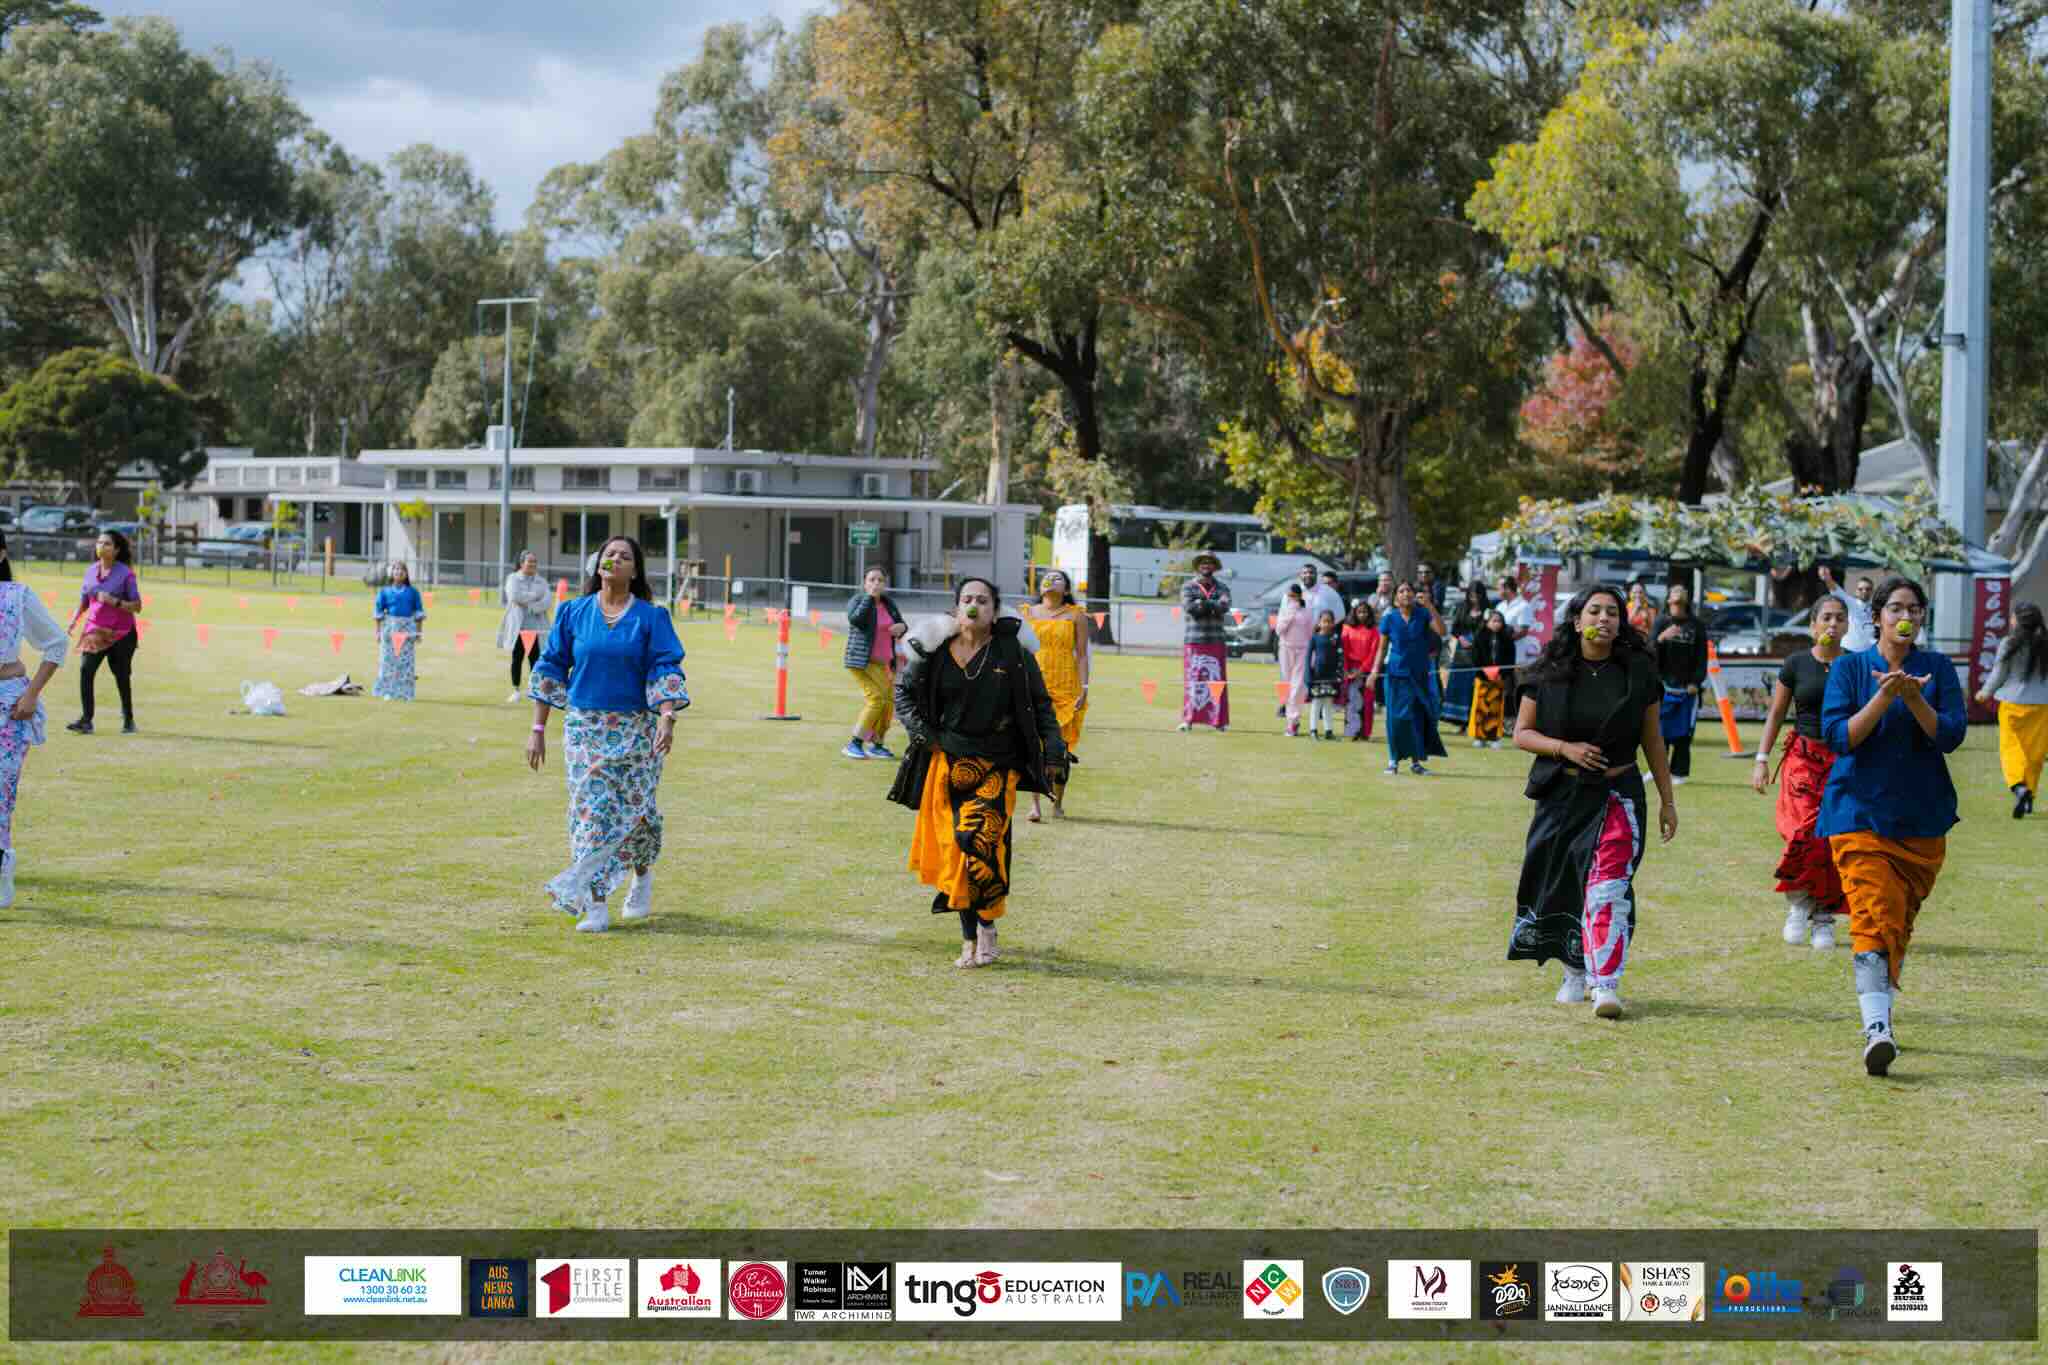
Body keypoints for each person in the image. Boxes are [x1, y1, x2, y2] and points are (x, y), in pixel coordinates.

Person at [1817, 576, 1965, 1076]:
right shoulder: (1851, 669)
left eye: (1915, 609)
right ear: (1876, 615)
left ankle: (1879, 1007)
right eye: (1896, 607)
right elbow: (1838, 738)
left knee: (1896, 921)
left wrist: (1914, 697)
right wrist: (1883, 697)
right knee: (1871, 912)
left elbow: (1950, 736)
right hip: (1858, 812)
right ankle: (1876, 1029)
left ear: (1923, 617)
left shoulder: (1938, 669)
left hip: (1922, 817)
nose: (1906, 616)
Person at [1508, 585, 1678, 1019]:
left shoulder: (1639, 673)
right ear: (1577, 619)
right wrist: (1565, 749)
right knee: (1564, 885)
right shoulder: (1547, 671)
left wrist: (1667, 800)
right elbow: (1522, 733)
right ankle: (1574, 972)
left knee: (1608, 886)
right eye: (1595, 611)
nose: (1604, 619)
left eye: (1613, 613)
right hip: (1563, 796)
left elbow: (1653, 739)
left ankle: (1606, 983)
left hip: (1619, 796)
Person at [891, 578, 1064, 968]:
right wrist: (925, 733)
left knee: (980, 843)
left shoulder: (1012, 652)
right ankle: (970, 937)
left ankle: (986, 927)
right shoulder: (933, 649)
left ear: (995, 609)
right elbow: (903, 694)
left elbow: (1040, 703)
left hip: (996, 764)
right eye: (967, 599)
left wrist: (1053, 747)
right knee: (956, 850)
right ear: (955, 609)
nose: (974, 606)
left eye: (982, 600)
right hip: (947, 763)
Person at [525, 536, 689, 934]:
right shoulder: (572, 613)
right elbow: (550, 668)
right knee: (591, 814)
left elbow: (664, 666)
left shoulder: (651, 618)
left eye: (624, 556)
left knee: (637, 815)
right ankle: (595, 906)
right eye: (608, 554)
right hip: (584, 729)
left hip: (635, 730)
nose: (614, 559)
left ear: (635, 571)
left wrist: (667, 717)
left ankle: (641, 878)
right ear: (597, 564)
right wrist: (538, 728)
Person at [1751, 594, 1851, 948]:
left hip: (1843, 762)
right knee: (1800, 834)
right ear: (1812, 625)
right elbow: (1776, 713)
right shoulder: (1795, 663)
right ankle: (1798, 905)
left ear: (1848, 625)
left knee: (1832, 839)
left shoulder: (1855, 664)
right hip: (1802, 760)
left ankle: (1823, 915)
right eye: (1826, 617)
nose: (1832, 624)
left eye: (1840, 618)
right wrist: (1762, 759)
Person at [0, 530, 67, 907]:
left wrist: (31, 693)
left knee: (0, 791)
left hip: (8, 706)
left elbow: (56, 642)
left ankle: (1, 862)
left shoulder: (15, 597)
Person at [1021, 568, 1090, 820]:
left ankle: (1057, 802)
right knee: (1034, 744)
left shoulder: (1076, 616)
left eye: (1057, 578)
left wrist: (1084, 688)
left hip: (1066, 686)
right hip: (1033, 683)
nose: (1050, 581)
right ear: (1039, 588)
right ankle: (1035, 804)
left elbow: (1082, 655)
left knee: (1059, 747)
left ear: (1067, 589)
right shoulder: (1026, 614)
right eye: (1046, 578)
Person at [1974, 601, 2048, 819]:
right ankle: (2030, 799)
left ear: (2018, 620)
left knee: (2011, 747)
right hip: (2042, 705)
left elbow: (1999, 674)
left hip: (2012, 703)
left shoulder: (2008, 643)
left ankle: (2018, 787)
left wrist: (1985, 693)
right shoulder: (2045, 642)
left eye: (2013, 616)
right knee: (2035, 754)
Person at [1367, 580, 1448, 775]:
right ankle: (1393, 760)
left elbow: (1442, 631)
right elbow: (1382, 648)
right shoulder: (1389, 618)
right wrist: (1374, 672)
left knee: (1416, 717)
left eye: (1409, 590)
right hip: (1395, 675)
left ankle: (1416, 762)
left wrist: (1429, 605)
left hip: (1419, 675)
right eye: (1401, 591)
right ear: (1395, 599)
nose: (1406, 594)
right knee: (1395, 719)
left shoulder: (1423, 614)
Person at [64, 530, 140, 735]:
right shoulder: (90, 571)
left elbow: (137, 606)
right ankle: (86, 720)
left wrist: (114, 601)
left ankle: (128, 719)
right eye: (99, 543)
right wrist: (72, 621)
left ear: (116, 550)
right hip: (95, 631)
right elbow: (84, 601)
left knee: (121, 675)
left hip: (122, 634)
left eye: (107, 544)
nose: (101, 546)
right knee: (85, 670)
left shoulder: (126, 574)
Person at [842, 566, 907, 761]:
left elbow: (901, 625)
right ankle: (854, 743)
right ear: (865, 583)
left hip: (883, 662)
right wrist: (869, 598)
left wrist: (902, 627)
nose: (876, 584)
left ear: (885, 584)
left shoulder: (889, 603)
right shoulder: (858, 601)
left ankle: (877, 744)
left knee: (888, 703)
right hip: (861, 661)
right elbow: (856, 620)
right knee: (876, 699)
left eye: (880, 580)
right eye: (872, 580)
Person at [1650, 584, 1709, 783]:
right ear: (1668, 600)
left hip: (1687, 689)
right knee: (1660, 732)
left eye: (1682, 593)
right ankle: (1658, 769)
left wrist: (1695, 682)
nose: (1678, 595)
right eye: (1674, 593)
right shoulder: (1660, 622)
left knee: (1683, 733)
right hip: (1663, 687)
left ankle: (1679, 772)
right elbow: (1649, 652)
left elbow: (1702, 658)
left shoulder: (1696, 625)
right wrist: (1660, 639)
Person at [1178, 552, 1231, 731]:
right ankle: (1188, 720)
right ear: (1198, 566)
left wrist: (1204, 603)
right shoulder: (1187, 586)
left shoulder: (1223, 587)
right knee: (1193, 680)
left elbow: (1224, 606)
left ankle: (1218, 722)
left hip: (1216, 641)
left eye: (1210, 563)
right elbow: (1190, 608)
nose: (1206, 566)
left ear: (1214, 567)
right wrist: (1211, 605)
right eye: (1202, 563)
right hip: (1194, 641)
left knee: (1216, 682)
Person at [499, 550, 552, 703]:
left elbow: (547, 601)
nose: (533, 564)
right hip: (518, 627)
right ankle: (515, 690)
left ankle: (534, 690)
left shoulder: (541, 581)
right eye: (529, 561)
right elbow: (514, 596)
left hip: (536, 627)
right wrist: (535, 595)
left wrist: (530, 606)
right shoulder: (512, 578)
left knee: (535, 659)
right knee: (517, 658)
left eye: (535, 561)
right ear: (522, 563)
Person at [372, 562, 425, 702]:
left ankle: (406, 693)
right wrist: (377, 632)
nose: (398, 572)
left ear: (406, 574)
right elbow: (378, 612)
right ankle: (388, 691)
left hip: (407, 630)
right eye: (395, 569)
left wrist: (419, 632)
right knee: (387, 662)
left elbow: (419, 612)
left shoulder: (413, 592)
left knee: (406, 664)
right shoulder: (384, 592)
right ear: (391, 573)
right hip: (389, 629)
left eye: (402, 570)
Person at [1443, 580, 1491, 731]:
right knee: (1459, 687)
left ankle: (1473, 722)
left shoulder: (1488, 610)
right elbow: (1455, 629)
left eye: (1477, 594)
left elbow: (1487, 630)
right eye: (1471, 595)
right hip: (1461, 654)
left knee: (1473, 688)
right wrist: (1462, 638)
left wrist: (1475, 640)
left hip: (1479, 654)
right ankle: (1460, 723)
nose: (1474, 598)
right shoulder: (1462, 608)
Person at [1468, 607, 1516, 748]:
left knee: (1495, 708)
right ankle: (1479, 737)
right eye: (1494, 621)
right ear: (1487, 622)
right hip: (1482, 678)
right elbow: (1475, 657)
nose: (1497, 624)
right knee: (1480, 707)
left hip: (1499, 678)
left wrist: (1502, 674)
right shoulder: (1480, 636)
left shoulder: (1507, 639)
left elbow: (1510, 659)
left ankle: (1494, 738)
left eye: (1499, 621)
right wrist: (1484, 672)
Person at [1274, 583, 1313, 736]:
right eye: (1288, 596)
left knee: (1298, 687)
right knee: (1288, 686)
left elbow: (1310, 634)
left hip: (1302, 650)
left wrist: (1312, 655)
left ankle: (1293, 721)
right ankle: (1291, 720)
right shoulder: (1284, 610)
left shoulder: (1307, 611)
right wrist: (1289, 614)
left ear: (1299, 596)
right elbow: (1279, 630)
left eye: (1293, 596)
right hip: (1285, 649)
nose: (1291, 599)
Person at [1339, 600, 1380, 741]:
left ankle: (1365, 732)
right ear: (1354, 613)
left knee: (1367, 702)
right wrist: (1346, 669)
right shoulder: (1347, 628)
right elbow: (1343, 650)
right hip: (1350, 669)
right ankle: (1352, 731)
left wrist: (1362, 670)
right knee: (1351, 701)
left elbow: (1374, 652)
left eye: (1365, 612)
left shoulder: (1374, 630)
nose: (1362, 615)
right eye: (1359, 612)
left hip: (1367, 670)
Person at [1818, 565, 1878, 652]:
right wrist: (1827, 578)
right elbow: (1835, 589)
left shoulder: (1876, 607)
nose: (1864, 591)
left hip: (1867, 652)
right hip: (1848, 650)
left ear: (1872, 591)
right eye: (1860, 589)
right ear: (1856, 591)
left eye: (1868, 589)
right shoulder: (1850, 603)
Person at [1305, 610, 1342, 739]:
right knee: (1316, 703)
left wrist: (1339, 674)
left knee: (1328, 703)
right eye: (1324, 621)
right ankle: (1313, 730)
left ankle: (1328, 731)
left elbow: (1340, 656)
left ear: (1333, 623)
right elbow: (1308, 657)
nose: (1327, 624)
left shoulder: (1336, 638)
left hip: (1331, 676)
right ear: (1319, 623)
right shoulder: (1315, 638)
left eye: (1329, 621)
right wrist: (1308, 675)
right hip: (1317, 676)